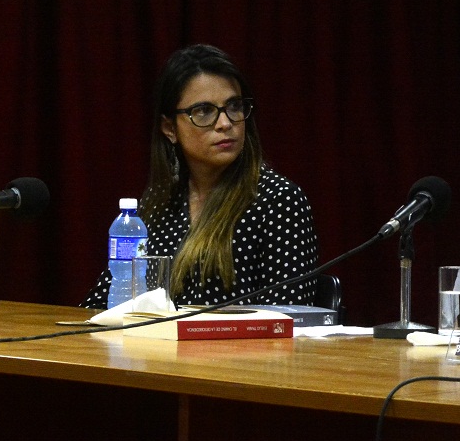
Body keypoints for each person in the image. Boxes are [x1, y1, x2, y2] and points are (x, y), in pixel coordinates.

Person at [81, 45, 320, 309]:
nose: (225, 123)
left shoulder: (279, 200)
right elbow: (104, 301)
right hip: (156, 348)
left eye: (234, 106)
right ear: (170, 128)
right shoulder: (160, 202)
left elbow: (287, 318)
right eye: (204, 111)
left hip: (238, 350)